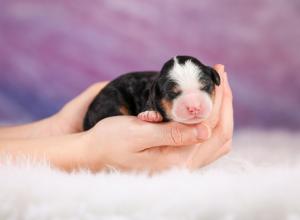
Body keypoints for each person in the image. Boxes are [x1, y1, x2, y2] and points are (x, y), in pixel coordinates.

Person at [0, 64, 233, 173]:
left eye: (204, 88)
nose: (193, 105)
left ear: (214, 81)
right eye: (175, 93)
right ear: (159, 93)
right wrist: (87, 150)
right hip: (112, 106)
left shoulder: (161, 86)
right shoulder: (149, 94)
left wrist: (59, 128)